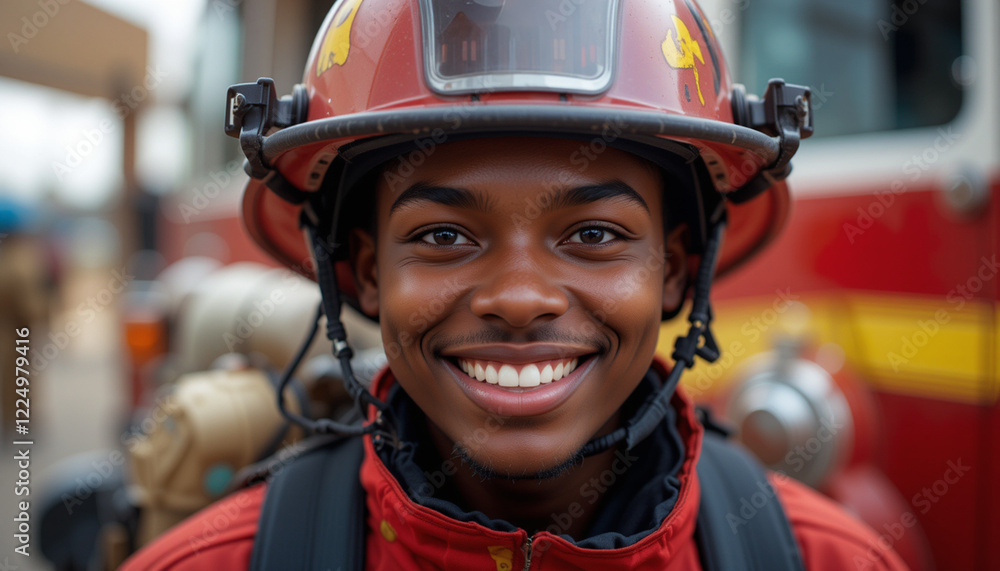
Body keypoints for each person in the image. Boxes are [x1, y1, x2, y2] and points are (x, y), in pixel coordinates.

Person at [123, 0, 908, 569]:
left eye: (594, 235)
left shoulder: (825, 557)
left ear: (675, 268)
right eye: (443, 236)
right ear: (363, 272)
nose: (521, 296)